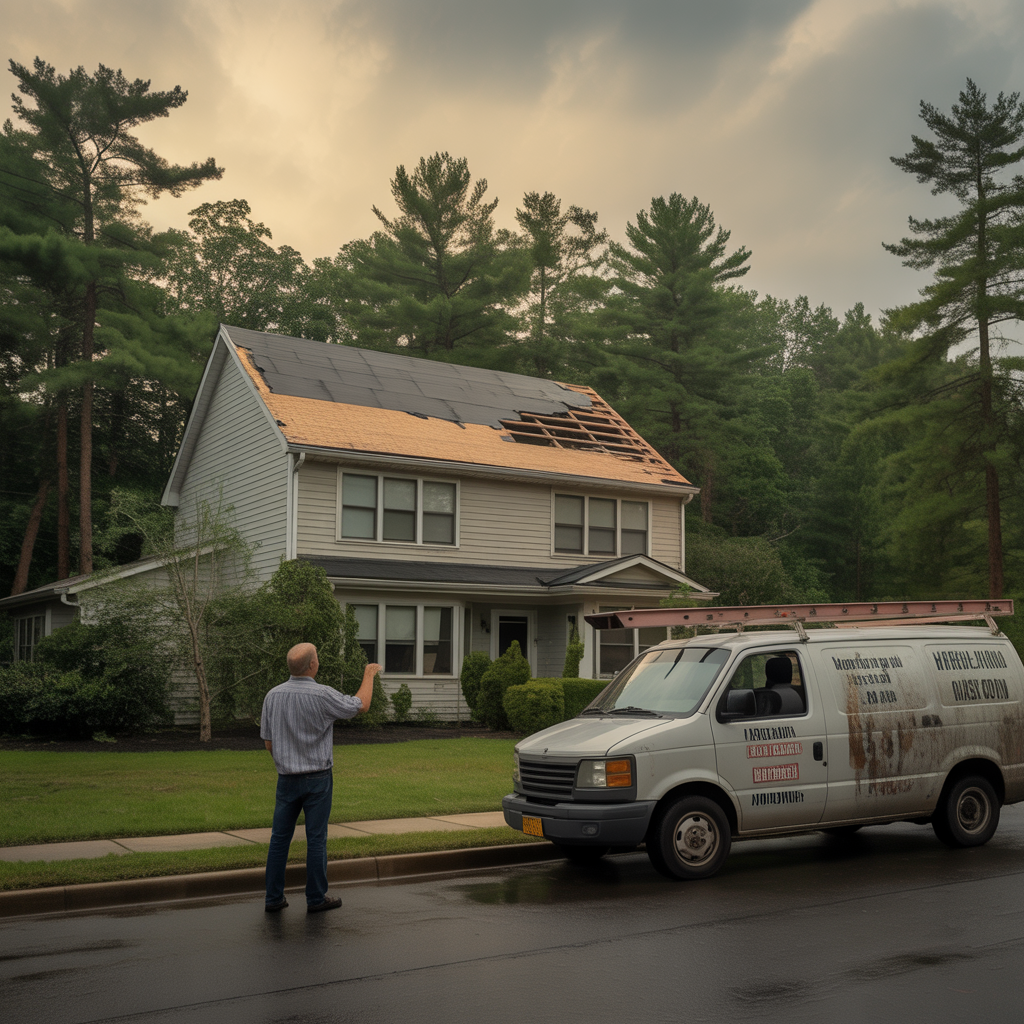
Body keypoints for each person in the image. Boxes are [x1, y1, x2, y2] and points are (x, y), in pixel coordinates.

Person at [261, 642, 382, 913]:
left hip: (286, 779)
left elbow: (268, 743)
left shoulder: (273, 696)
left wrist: (285, 761)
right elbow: (360, 706)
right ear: (312, 665)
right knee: (316, 839)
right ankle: (316, 898)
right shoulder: (322, 695)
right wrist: (369, 674)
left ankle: (273, 899)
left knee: (279, 838)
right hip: (317, 779)